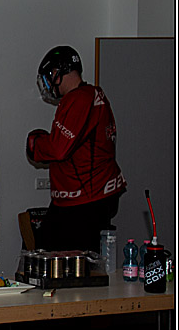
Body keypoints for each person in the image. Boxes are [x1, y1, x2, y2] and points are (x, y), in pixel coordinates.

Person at [27, 45, 126, 252]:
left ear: (58, 72)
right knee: (49, 244)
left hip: (84, 199)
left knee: (57, 256)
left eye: (49, 75)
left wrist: (37, 144)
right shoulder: (94, 95)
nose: (48, 83)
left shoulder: (78, 98)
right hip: (93, 195)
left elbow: (59, 149)